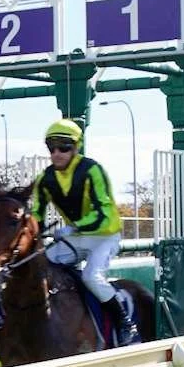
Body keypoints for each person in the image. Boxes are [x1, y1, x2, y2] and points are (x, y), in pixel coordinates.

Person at [32, 118, 133, 342]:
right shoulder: (45, 178)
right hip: (76, 238)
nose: (57, 153)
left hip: (104, 237)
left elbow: (104, 213)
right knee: (41, 266)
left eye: (64, 148)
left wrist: (73, 227)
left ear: (76, 147)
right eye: (52, 148)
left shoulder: (92, 170)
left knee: (92, 277)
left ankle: (125, 323)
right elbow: (36, 214)